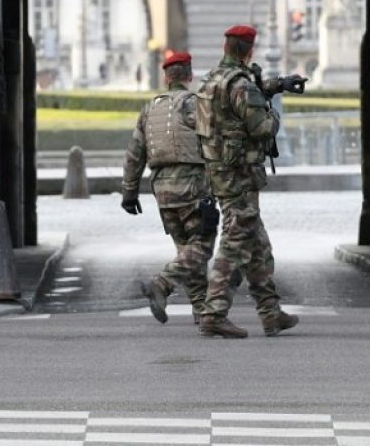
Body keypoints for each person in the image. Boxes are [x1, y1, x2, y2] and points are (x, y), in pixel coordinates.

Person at [193, 24, 298, 339]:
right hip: (240, 175)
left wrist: (278, 85)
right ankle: (214, 313)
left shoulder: (212, 80)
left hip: (220, 172)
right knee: (236, 241)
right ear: (249, 50)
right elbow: (262, 127)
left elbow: (240, 98)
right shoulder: (240, 84)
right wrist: (275, 116)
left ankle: (270, 313)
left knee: (258, 245)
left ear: (226, 48)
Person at [121, 49, 216, 327]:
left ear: (166, 77)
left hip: (162, 191)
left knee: (186, 250)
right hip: (192, 187)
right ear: (189, 75)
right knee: (201, 246)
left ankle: (202, 310)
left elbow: (135, 153)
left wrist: (129, 191)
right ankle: (161, 283)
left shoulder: (150, 109)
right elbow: (214, 145)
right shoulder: (196, 104)